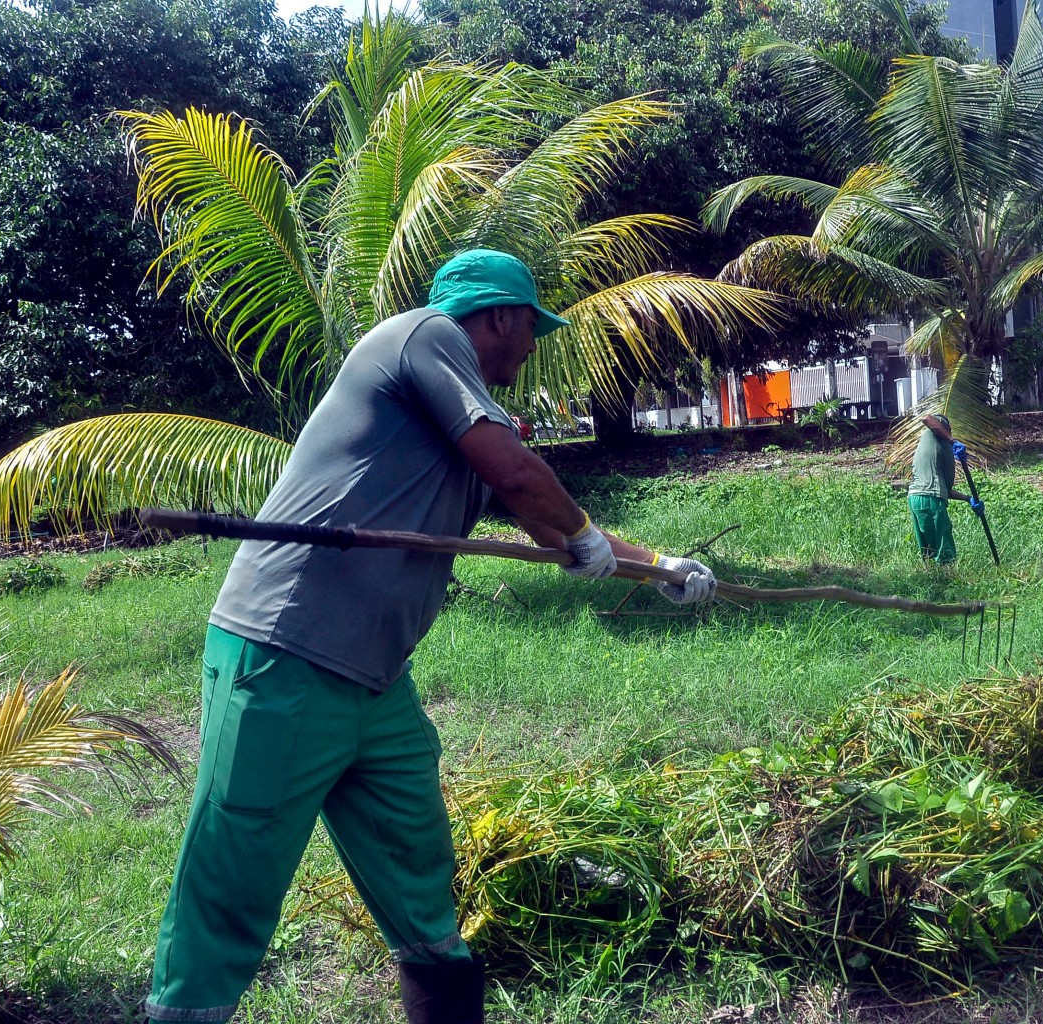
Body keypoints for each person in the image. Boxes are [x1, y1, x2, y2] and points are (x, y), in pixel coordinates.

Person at [145, 249, 717, 1024]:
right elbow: (523, 483)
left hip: (375, 679)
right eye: (531, 328)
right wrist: (580, 533)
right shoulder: (423, 336)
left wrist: (658, 567)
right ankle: (182, 1014)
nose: (533, 345)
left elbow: (539, 511)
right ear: (501, 316)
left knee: (416, 865)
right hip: (284, 653)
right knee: (234, 870)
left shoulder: (470, 417)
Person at [907, 413, 984, 564]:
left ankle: (932, 581)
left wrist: (969, 499)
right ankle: (949, 583)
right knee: (944, 552)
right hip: (930, 498)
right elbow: (927, 418)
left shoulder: (939, 447)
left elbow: (945, 491)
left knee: (929, 552)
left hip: (915, 498)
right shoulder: (936, 433)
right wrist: (952, 440)